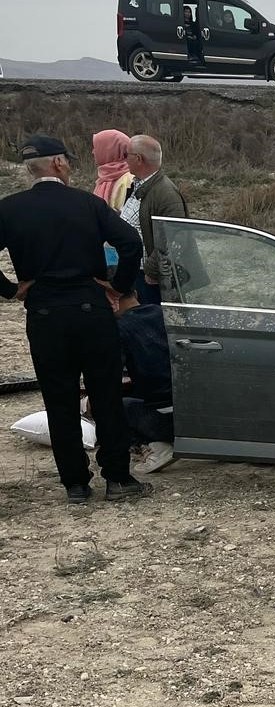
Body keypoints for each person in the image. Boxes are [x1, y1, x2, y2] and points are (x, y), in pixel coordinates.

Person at [0, 135, 151, 503]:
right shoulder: (86, 204)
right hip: (90, 309)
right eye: (66, 160)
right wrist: (117, 285)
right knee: (106, 394)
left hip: (45, 312)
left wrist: (10, 290)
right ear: (58, 164)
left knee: (59, 398)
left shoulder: (10, 209)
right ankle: (117, 478)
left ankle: (76, 485)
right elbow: (130, 242)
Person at [120, 135, 187, 306]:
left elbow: (174, 238)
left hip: (150, 280)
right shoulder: (140, 184)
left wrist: (151, 271)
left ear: (138, 159)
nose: (124, 159)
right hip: (136, 273)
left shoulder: (166, 194)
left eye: (126, 154)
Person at [114, 292, 175, 473]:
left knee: (110, 404)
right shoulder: (164, 312)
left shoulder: (119, 328)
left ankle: (153, 446)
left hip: (165, 419)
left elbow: (109, 379)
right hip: (197, 410)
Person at [91, 129, 135, 279]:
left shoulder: (127, 180)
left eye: (96, 147)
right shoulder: (105, 178)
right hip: (105, 250)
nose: (92, 152)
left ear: (109, 150)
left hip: (118, 254)